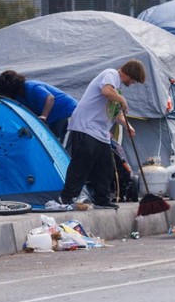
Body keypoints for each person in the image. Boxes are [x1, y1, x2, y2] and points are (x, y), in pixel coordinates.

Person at [58, 59, 146, 209]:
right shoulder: (111, 74)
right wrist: (122, 99)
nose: (132, 83)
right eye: (134, 80)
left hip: (101, 133)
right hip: (86, 127)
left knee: (106, 168)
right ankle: (66, 198)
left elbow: (115, 114)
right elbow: (106, 91)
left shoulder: (116, 89)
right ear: (130, 74)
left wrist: (127, 126)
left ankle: (102, 200)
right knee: (81, 165)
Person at [0, 70, 77, 142]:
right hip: (52, 117)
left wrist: (44, 116)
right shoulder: (18, 97)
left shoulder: (31, 86)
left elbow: (50, 98)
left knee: (57, 138)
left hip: (65, 111)